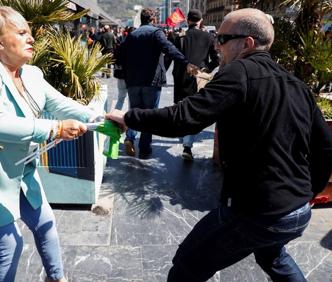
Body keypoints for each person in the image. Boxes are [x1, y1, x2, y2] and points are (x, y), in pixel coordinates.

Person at [106, 8, 332, 281]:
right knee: (271, 255)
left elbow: (185, 118)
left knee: (186, 267)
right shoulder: (295, 83)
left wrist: (130, 117)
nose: (216, 45)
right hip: (297, 211)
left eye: (223, 39)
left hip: (258, 212)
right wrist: (306, 194)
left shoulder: (239, 71)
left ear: (247, 43)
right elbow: (325, 148)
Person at [0, 6, 97, 282]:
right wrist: (55, 128)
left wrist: (104, 117)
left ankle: (56, 278)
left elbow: (62, 104)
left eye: (29, 32)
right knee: (9, 245)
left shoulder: (31, 74)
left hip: (21, 171)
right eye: (22, 32)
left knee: (46, 224)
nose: (31, 38)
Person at [119, 7, 198, 159]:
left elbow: (120, 56)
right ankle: (144, 148)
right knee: (149, 115)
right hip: (151, 81)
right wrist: (186, 63)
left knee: (134, 110)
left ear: (141, 19)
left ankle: (129, 137)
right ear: (153, 19)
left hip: (133, 81)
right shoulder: (156, 33)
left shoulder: (131, 35)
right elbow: (170, 49)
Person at [171, 9, 219, 161]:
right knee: (192, 110)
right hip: (198, 78)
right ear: (201, 21)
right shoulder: (208, 36)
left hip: (180, 77)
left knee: (181, 107)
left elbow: (172, 57)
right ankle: (187, 145)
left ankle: (185, 137)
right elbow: (216, 60)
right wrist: (206, 69)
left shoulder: (179, 36)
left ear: (188, 21)